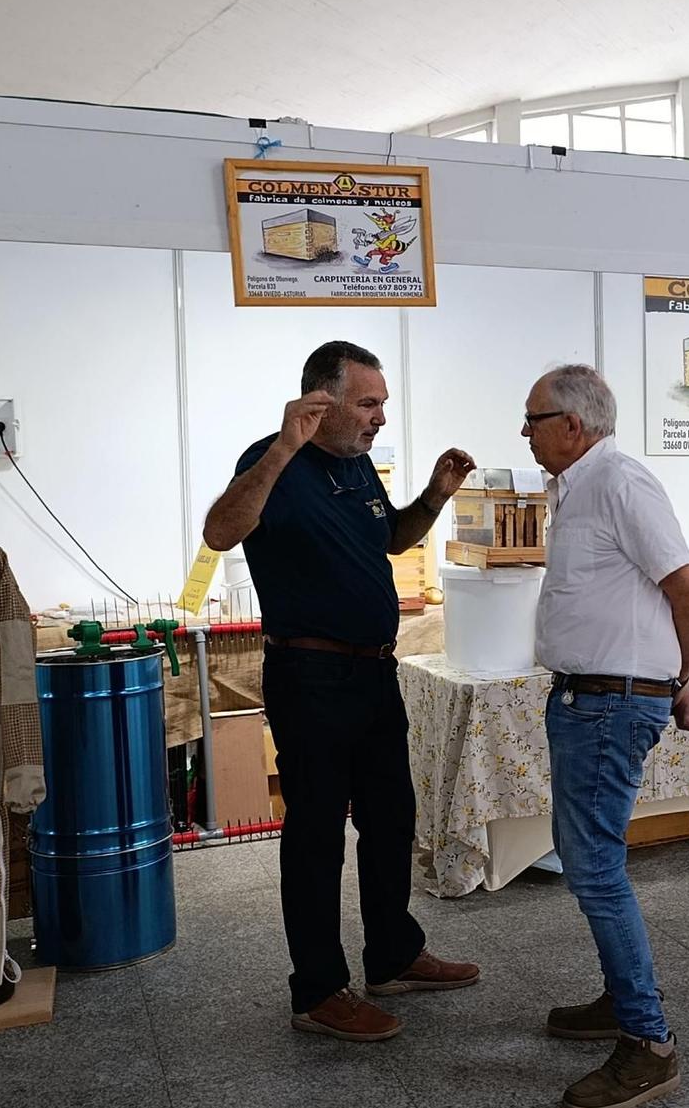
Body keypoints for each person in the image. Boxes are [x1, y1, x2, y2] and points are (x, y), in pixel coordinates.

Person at [203, 340, 481, 1041]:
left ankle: (393, 955)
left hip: (372, 673)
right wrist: (282, 449)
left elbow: (391, 539)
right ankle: (318, 990)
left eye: (382, 403)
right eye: (368, 402)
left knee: (391, 818)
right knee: (317, 834)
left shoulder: (357, 471)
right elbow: (220, 530)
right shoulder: (272, 462)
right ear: (318, 403)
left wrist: (435, 497)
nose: (380, 416)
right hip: (310, 677)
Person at [523, 364, 689, 1108]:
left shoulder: (619, 484)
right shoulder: (577, 488)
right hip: (591, 698)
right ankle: (621, 997)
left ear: (574, 425)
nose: (527, 431)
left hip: (608, 705)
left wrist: (674, 681)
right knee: (590, 862)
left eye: (534, 418)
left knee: (595, 868)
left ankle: (648, 1041)